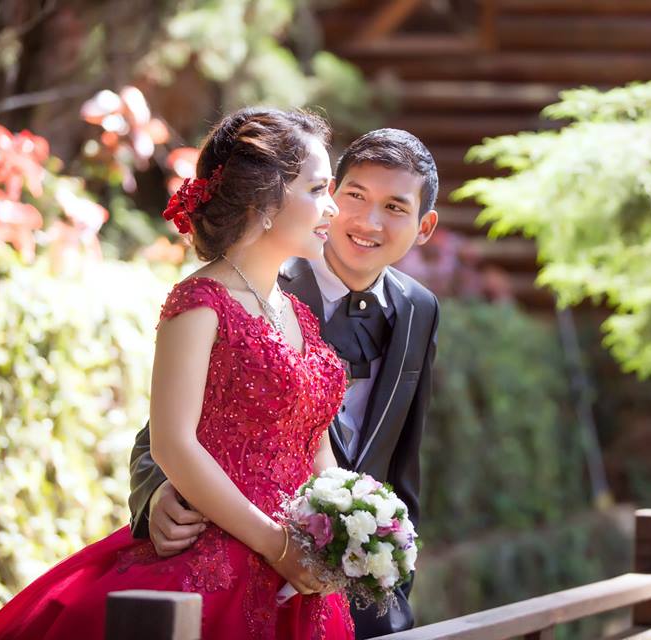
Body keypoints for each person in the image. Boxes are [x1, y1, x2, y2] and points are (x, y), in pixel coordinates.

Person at [0, 106, 356, 640]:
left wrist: (346, 524)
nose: (332, 207)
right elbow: (173, 446)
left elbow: (314, 445)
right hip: (217, 558)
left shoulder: (297, 314)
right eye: (316, 189)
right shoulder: (200, 303)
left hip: (299, 574)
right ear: (264, 200)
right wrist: (276, 544)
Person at [129, 128, 441, 638]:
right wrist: (158, 493)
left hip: (342, 592)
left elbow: (402, 464)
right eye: (352, 195)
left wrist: (389, 577)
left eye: (394, 207)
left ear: (423, 226)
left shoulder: (418, 309)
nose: (365, 221)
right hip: (226, 558)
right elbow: (168, 435)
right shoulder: (246, 282)